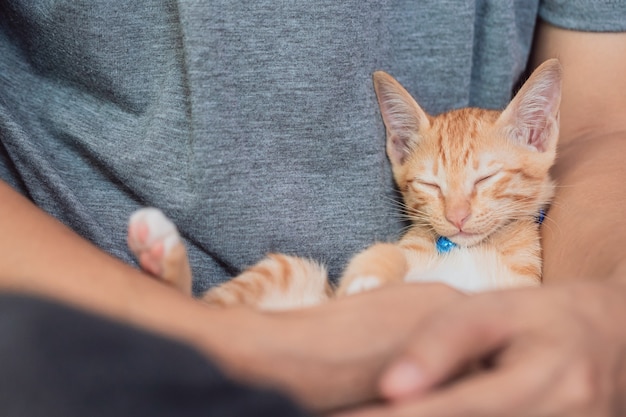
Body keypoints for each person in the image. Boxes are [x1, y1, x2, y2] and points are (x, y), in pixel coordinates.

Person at [0, 1, 625, 416]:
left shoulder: (523, 235)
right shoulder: (418, 235)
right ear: (401, 151)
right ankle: (178, 298)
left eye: (482, 183)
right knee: (292, 274)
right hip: (98, 344)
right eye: (434, 188)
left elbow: (599, 127)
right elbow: (386, 268)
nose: (458, 214)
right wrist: (247, 345)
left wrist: (609, 311)